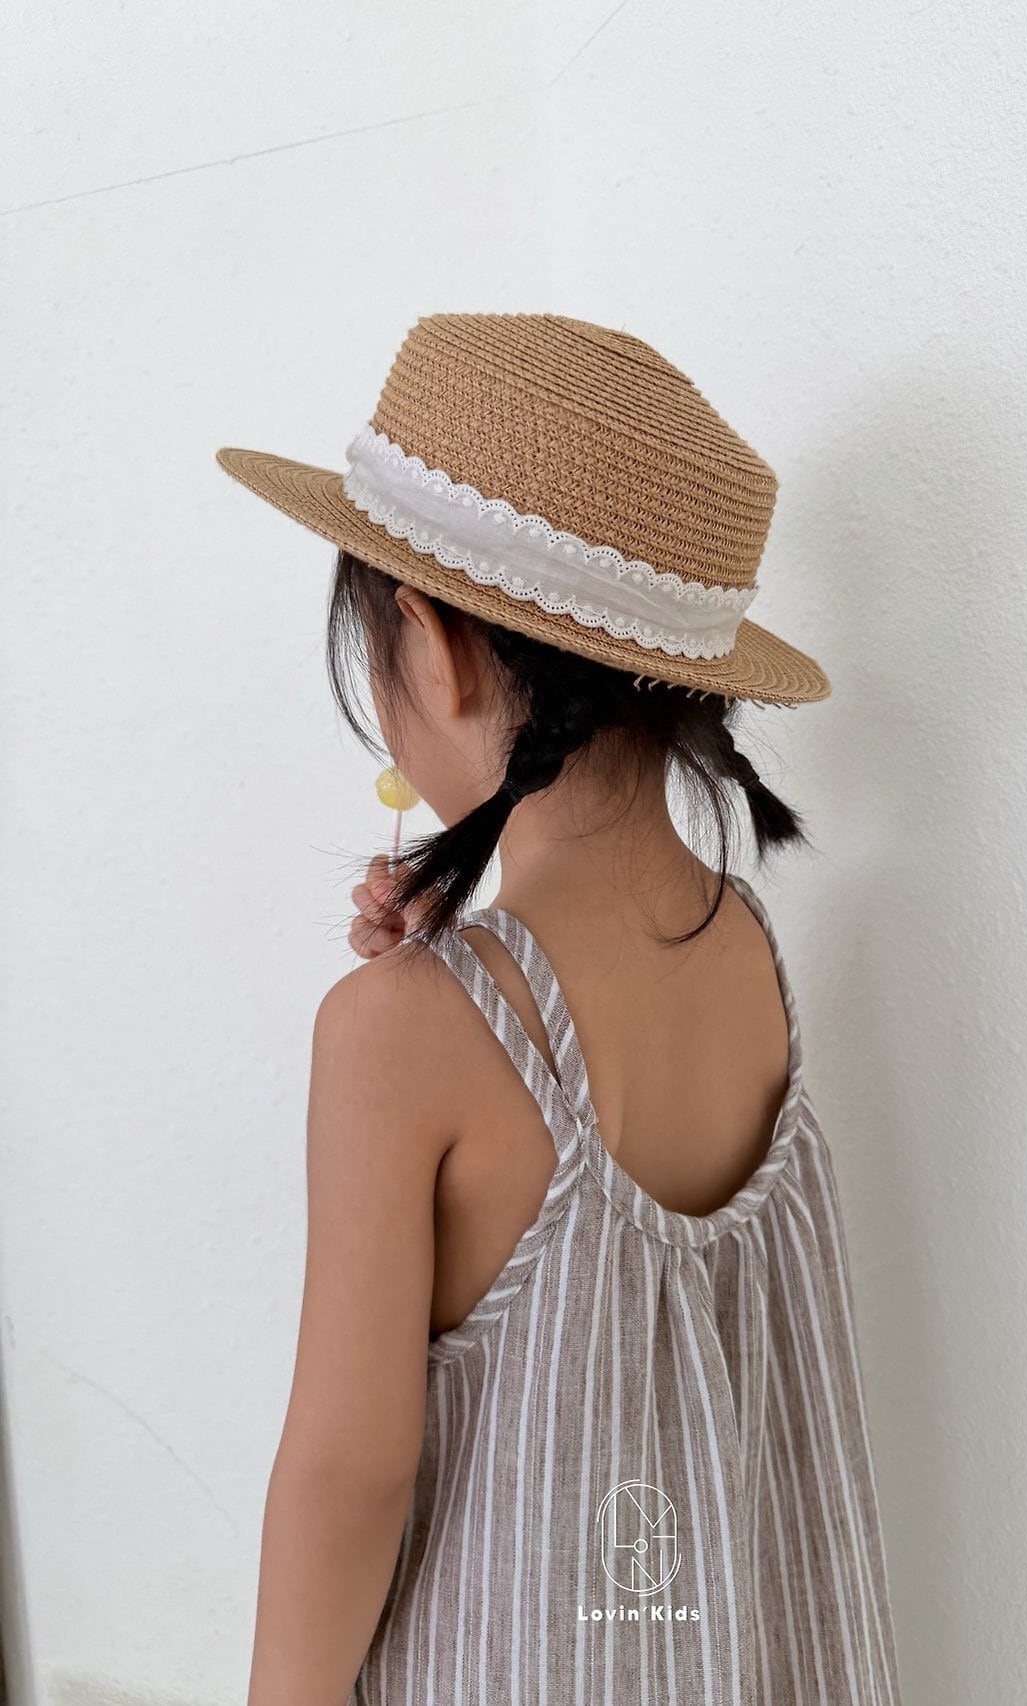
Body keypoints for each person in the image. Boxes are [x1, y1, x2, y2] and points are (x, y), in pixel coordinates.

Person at [215, 312, 901, 1705]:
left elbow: (349, 1470)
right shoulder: (745, 951)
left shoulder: (398, 1034)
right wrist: (455, 966)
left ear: (433, 647)